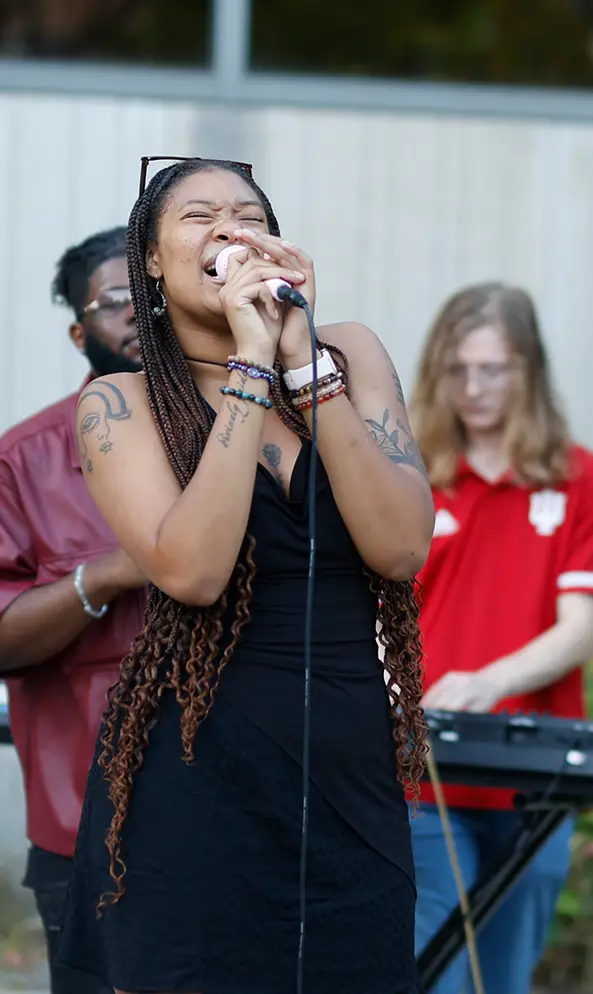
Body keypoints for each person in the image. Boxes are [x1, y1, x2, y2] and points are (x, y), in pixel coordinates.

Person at [51, 156, 436, 994]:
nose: (230, 229)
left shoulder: (349, 354)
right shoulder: (121, 403)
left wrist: (303, 363)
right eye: (198, 217)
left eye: (246, 214)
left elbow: (401, 547)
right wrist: (250, 370)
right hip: (198, 768)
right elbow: (192, 570)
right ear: (150, 260)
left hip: (346, 761)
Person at [407, 282, 593, 994]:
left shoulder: (583, 478)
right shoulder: (406, 475)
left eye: (493, 369)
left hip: (537, 775)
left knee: (503, 976)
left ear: (529, 369)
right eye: (456, 370)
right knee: (434, 968)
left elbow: (579, 631)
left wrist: (489, 681)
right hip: (421, 771)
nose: (473, 388)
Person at [0, 226, 148, 994]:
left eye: (156, 295)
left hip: (241, 813)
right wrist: (113, 573)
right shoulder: (23, 459)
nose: (141, 314)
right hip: (86, 826)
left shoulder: (249, 433)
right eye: (119, 300)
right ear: (78, 329)